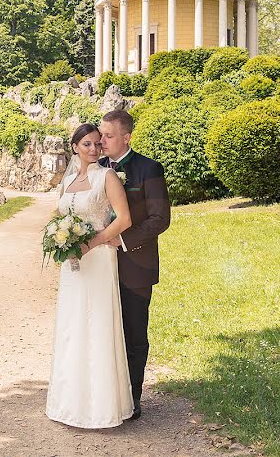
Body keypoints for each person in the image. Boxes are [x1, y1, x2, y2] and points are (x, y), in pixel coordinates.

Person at [45, 123, 135, 428]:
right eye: (87, 144)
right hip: (72, 266)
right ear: (75, 147)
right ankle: (70, 404)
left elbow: (124, 219)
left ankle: (101, 408)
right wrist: (58, 240)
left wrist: (91, 243)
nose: (94, 149)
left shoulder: (107, 177)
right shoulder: (69, 179)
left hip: (98, 260)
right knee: (72, 326)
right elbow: (59, 217)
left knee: (96, 325)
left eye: (98, 144)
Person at [98, 110, 171, 420]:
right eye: (100, 134)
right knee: (101, 331)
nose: (101, 141)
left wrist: (124, 240)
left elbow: (160, 219)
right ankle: (105, 395)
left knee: (134, 334)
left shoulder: (148, 169)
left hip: (135, 264)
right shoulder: (96, 168)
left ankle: (132, 397)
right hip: (98, 267)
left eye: (108, 136)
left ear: (126, 137)